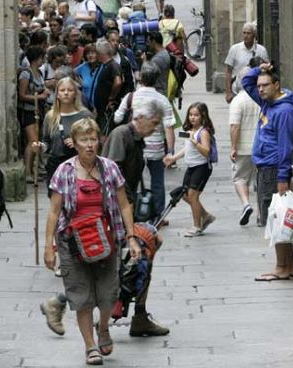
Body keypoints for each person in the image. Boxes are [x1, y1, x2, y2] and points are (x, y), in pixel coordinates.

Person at [44, 117, 139, 366]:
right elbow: (54, 212)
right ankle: (90, 346)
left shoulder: (109, 168)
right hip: (72, 242)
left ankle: (104, 327)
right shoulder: (64, 171)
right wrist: (48, 247)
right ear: (74, 143)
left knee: (109, 293)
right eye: (84, 140)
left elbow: (124, 205)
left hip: (106, 238)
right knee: (81, 295)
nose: (89, 144)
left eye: (93, 139)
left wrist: (131, 236)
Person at [102, 102, 171, 338]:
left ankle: (139, 314)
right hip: (116, 211)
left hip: (126, 209)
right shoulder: (122, 135)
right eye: (153, 124)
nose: (154, 130)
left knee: (149, 245)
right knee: (129, 257)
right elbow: (113, 175)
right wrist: (127, 219)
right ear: (140, 117)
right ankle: (63, 303)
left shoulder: (136, 139)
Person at [241, 63, 293, 281]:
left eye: (266, 85)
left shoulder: (283, 111)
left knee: (275, 218)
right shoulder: (268, 102)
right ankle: (290, 265)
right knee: (282, 216)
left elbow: (285, 146)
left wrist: (283, 177)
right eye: (260, 86)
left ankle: (281, 266)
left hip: (273, 169)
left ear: (277, 85)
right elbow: (245, 83)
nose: (260, 89)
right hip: (266, 167)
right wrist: (260, 69)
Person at [114, 63, 175, 224]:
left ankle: (136, 211)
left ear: (140, 78)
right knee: (157, 182)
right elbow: (169, 127)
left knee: (133, 181)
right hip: (156, 149)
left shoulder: (130, 97)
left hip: (134, 148)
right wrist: (171, 151)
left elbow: (117, 118)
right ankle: (158, 215)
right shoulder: (162, 100)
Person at [164, 102, 216, 237]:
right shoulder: (190, 131)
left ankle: (197, 226)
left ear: (203, 116)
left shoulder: (203, 132)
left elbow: (206, 152)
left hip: (201, 167)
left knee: (193, 197)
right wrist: (174, 158)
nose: (193, 118)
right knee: (185, 195)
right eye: (191, 115)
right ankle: (205, 216)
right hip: (191, 167)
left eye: (196, 115)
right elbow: (186, 149)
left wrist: (195, 142)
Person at [35, 77, 94, 193]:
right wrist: (41, 146)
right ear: (57, 94)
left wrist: (78, 143)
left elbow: (94, 141)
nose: (66, 93)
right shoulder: (50, 117)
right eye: (62, 90)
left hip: (78, 165)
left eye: (70, 90)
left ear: (75, 94)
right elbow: (47, 141)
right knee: (56, 202)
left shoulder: (85, 115)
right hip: (55, 165)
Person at [229, 64, 260, 226]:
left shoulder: (238, 101)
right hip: (261, 146)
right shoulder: (260, 98)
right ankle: (262, 212)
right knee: (260, 180)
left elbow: (235, 126)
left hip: (243, 147)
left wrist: (233, 147)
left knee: (240, 178)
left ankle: (246, 204)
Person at [18, 46, 49, 184]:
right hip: (28, 111)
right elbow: (22, 95)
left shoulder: (39, 74)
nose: (43, 60)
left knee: (36, 141)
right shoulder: (26, 74)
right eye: (42, 57)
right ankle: (27, 172)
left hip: (38, 111)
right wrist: (40, 97)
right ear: (36, 59)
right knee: (32, 142)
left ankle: (33, 171)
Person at [225, 22, 269, 103]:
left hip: (256, 90)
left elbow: (267, 70)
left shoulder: (261, 50)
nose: (246, 35)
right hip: (238, 90)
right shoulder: (235, 49)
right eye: (244, 33)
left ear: (254, 35)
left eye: (248, 33)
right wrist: (228, 92)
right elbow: (228, 71)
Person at [93, 40, 123, 138]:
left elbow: (118, 82)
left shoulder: (113, 65)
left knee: (105, 135)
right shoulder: (105, 66)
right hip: (101, 108)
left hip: (107, 109)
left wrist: (111, 98)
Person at [75, 45, 101, 112]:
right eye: (88, 53)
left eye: (93, 53)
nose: (90, 55)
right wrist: (78, 83)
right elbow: (70, 73)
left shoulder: (103, 67)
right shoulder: (82, 67)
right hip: (85, 106)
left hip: (100, 106)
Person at [146, 31, 171, 97]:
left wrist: (144, 61)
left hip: (158, 93)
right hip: (163, 91)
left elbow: (146, 77)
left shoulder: (157, 59)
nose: (148, 45)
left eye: (149, 42)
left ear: (153, 41)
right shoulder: (165, 53)